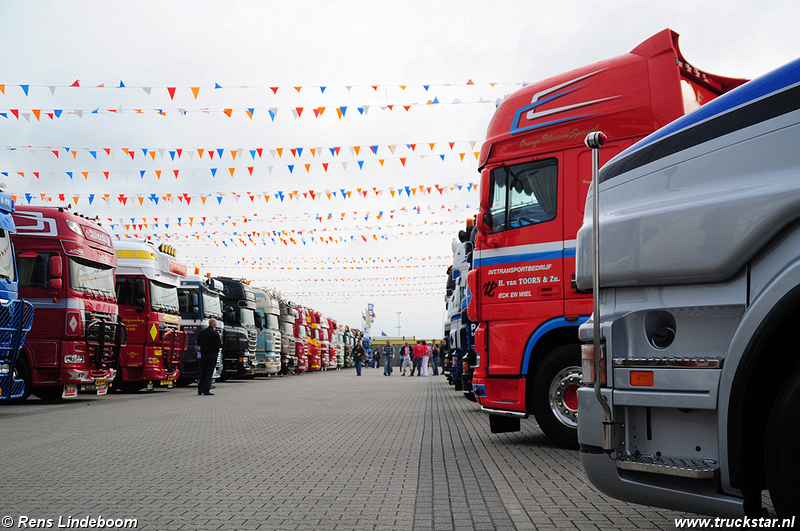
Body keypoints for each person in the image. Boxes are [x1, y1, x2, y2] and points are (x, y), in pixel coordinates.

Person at [196, 318, 222, 396]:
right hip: (212, 355)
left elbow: (198, 343)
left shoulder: (202, 332)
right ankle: (206, 389)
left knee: (203, 372)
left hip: (203, 355)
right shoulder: (215, 333)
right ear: (214, 325)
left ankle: (200, 389)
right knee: (209, 372)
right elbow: (218, 345)